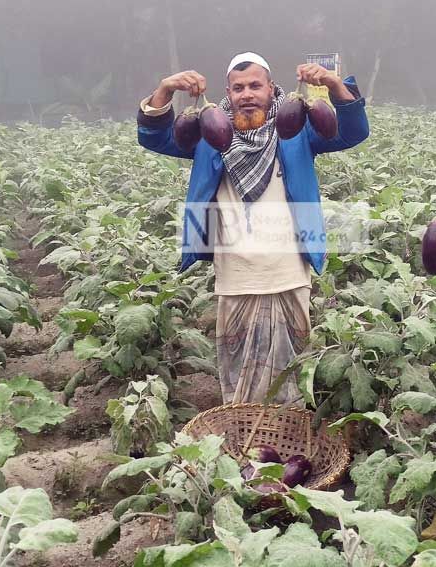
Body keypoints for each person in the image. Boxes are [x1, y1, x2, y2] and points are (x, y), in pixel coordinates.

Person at [136, 52, 369, 404]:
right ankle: (245, 436)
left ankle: (285, 437)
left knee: (288, 371)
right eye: (238, 87)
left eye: (255, 85)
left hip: (289, 269)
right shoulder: (210, 133)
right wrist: (166, 89)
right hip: (235, 272)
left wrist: (334, 84)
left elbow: (353, 132)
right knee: (238, 369)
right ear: (228, 93)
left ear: (271, 87)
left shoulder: (297, 129)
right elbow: (153, 137)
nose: (247, 93)